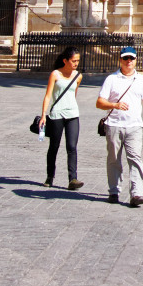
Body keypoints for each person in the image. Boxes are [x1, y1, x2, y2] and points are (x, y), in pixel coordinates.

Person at [96, 47, 143, 207]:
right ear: (120, 60)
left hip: (134, 126)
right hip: (114, 125)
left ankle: (137, 193)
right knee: (113, 160)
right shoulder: (111, 79)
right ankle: (114, 191)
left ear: (136, 60)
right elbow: (99, 103)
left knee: (135, 158)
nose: (129, 61)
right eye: (126, 58)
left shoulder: (141, 80)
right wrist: (114, 105)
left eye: (131, 58)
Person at [39, 47, 84, 190]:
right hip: (57, 114)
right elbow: (48, 95)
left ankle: (73, 179)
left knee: (72, 147)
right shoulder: (55, 74)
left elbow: (73, 94)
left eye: (77, 61)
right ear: (65, 60)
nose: (76, 63)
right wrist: (43, 115)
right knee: (54, 146)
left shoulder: (78, 76)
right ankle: (50, 176)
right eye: (73, 61)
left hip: (72, 114)